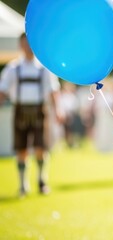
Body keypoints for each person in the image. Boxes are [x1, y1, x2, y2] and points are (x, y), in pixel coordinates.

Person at [0, 33, 63, 197]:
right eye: (24, 43)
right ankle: (23, 185)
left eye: (30, 43)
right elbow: (3, 90)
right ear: (20, 46)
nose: (28, 46)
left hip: (39, 110)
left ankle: (42, 180)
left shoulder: (44, 68)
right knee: (21, 149)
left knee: (41, 147)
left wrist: (57, 111)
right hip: (19, 110)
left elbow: (53, 91)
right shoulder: (13, 67)